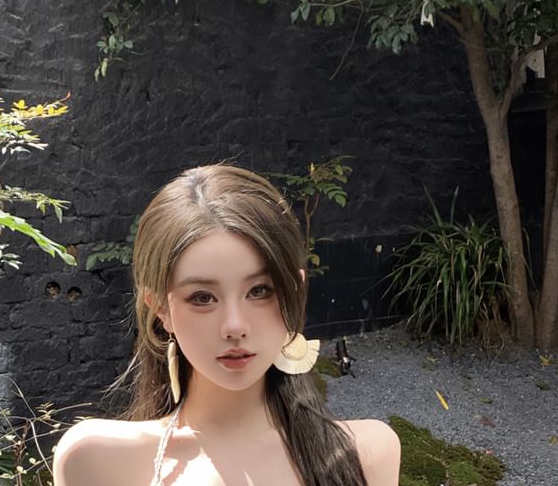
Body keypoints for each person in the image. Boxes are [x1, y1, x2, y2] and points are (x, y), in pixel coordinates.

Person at [53, 164, 401, 485]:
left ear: (295, 290)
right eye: (202, 297)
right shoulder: (98, 460)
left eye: (260, 291)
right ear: (159, 306)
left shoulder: (367, 455)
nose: (234, 326)